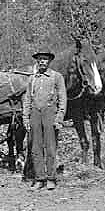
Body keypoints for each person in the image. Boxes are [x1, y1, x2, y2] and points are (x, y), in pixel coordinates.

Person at [22, 50, 67, 191]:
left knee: (50, 147)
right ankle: (39, 178)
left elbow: (62, 98)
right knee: (35, 148)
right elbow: (27, 99)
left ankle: (51, 178)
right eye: (40, 59)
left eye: (45, 59)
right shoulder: (32, 78)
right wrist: (26, 117)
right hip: (35, 113)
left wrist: (59, 117)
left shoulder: (56, 77)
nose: (42, 62)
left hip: (50, 113)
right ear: (37, 61)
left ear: (49, 62)